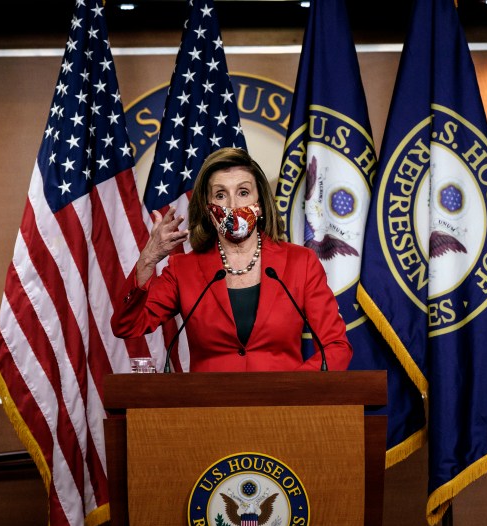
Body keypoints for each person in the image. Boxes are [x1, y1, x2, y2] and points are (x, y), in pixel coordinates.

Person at [111, 147, 352, 371]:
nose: (233, 205)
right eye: (220, 195)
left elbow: (336, 346)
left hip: (284, 411)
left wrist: (290, 390)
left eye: (243, 192)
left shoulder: (301, 263)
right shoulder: (183, 269)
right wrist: (148, 258)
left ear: (259, 203)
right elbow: (127, 325)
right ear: (207, 207)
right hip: (207, 412)